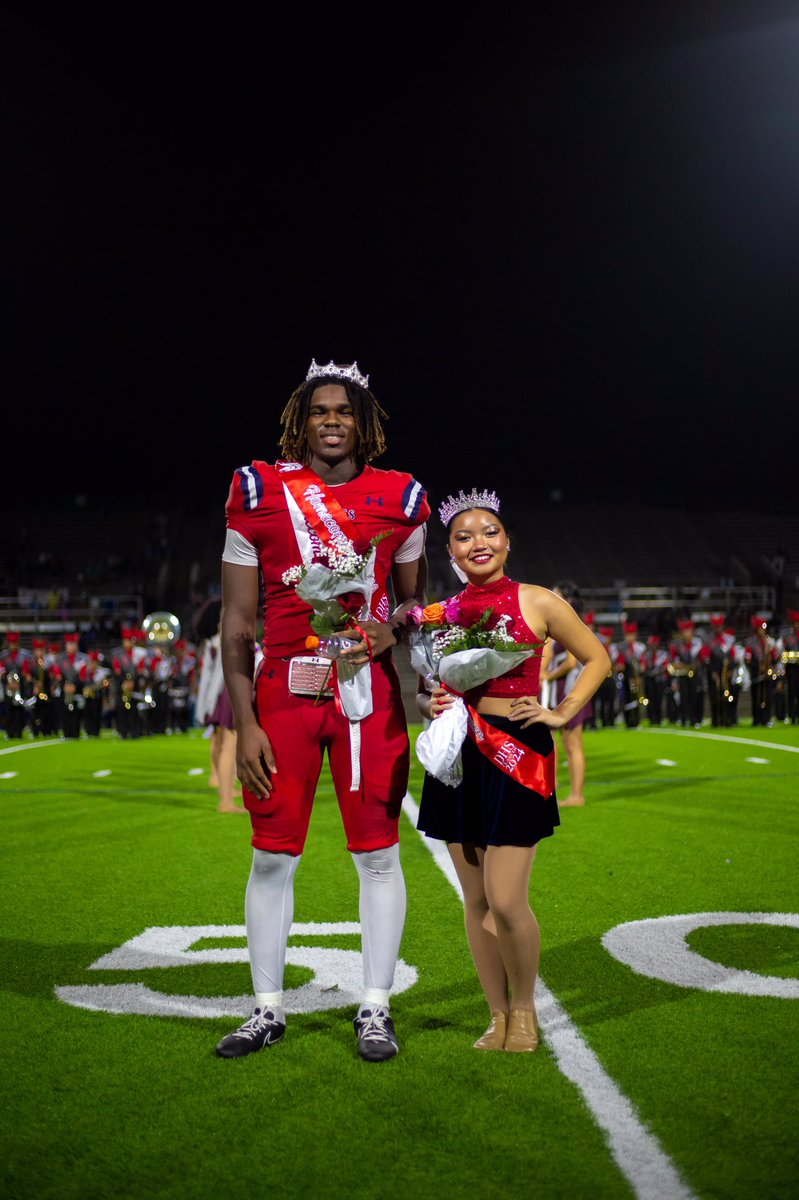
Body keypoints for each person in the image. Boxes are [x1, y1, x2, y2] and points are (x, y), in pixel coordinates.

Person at [217, 358, 430, 1062]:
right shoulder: (256, 491)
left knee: (376, 853)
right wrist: (244, 721)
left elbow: (412, 605)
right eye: (319, 411)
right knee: (273, 855)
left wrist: (391, 630)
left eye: (344, 411)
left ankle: (374, 1005)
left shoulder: (400, 497)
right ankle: (268, 1007)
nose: (331, 421)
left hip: (366, 696)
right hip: (282, 693)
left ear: (363, 423)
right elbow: (238, 621)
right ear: (300, 421)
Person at [416, 490, 609, 1053]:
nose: (479, 542)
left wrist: (561, 712)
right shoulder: (444, 614)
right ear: (450, 549)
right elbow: (441, 679)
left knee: (505, 900)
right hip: (459, 756)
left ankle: (525, 1012)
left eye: (490, 532)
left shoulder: (539, 600)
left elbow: (597, 657)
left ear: (507, 541)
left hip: (517, 751)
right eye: (464, 535)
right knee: (474, 901)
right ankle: (496, 1015)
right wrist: (437, 700)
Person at [539, 580, 593, 807]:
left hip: (568, 689)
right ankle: (553, 787)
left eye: (557, 595)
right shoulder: (563, 621)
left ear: (568, 600)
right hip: (561, 689)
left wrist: (547, 677)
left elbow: (571, 663)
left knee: (572, 743)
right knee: (555, 741)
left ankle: (576, 795)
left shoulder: (572, 623)